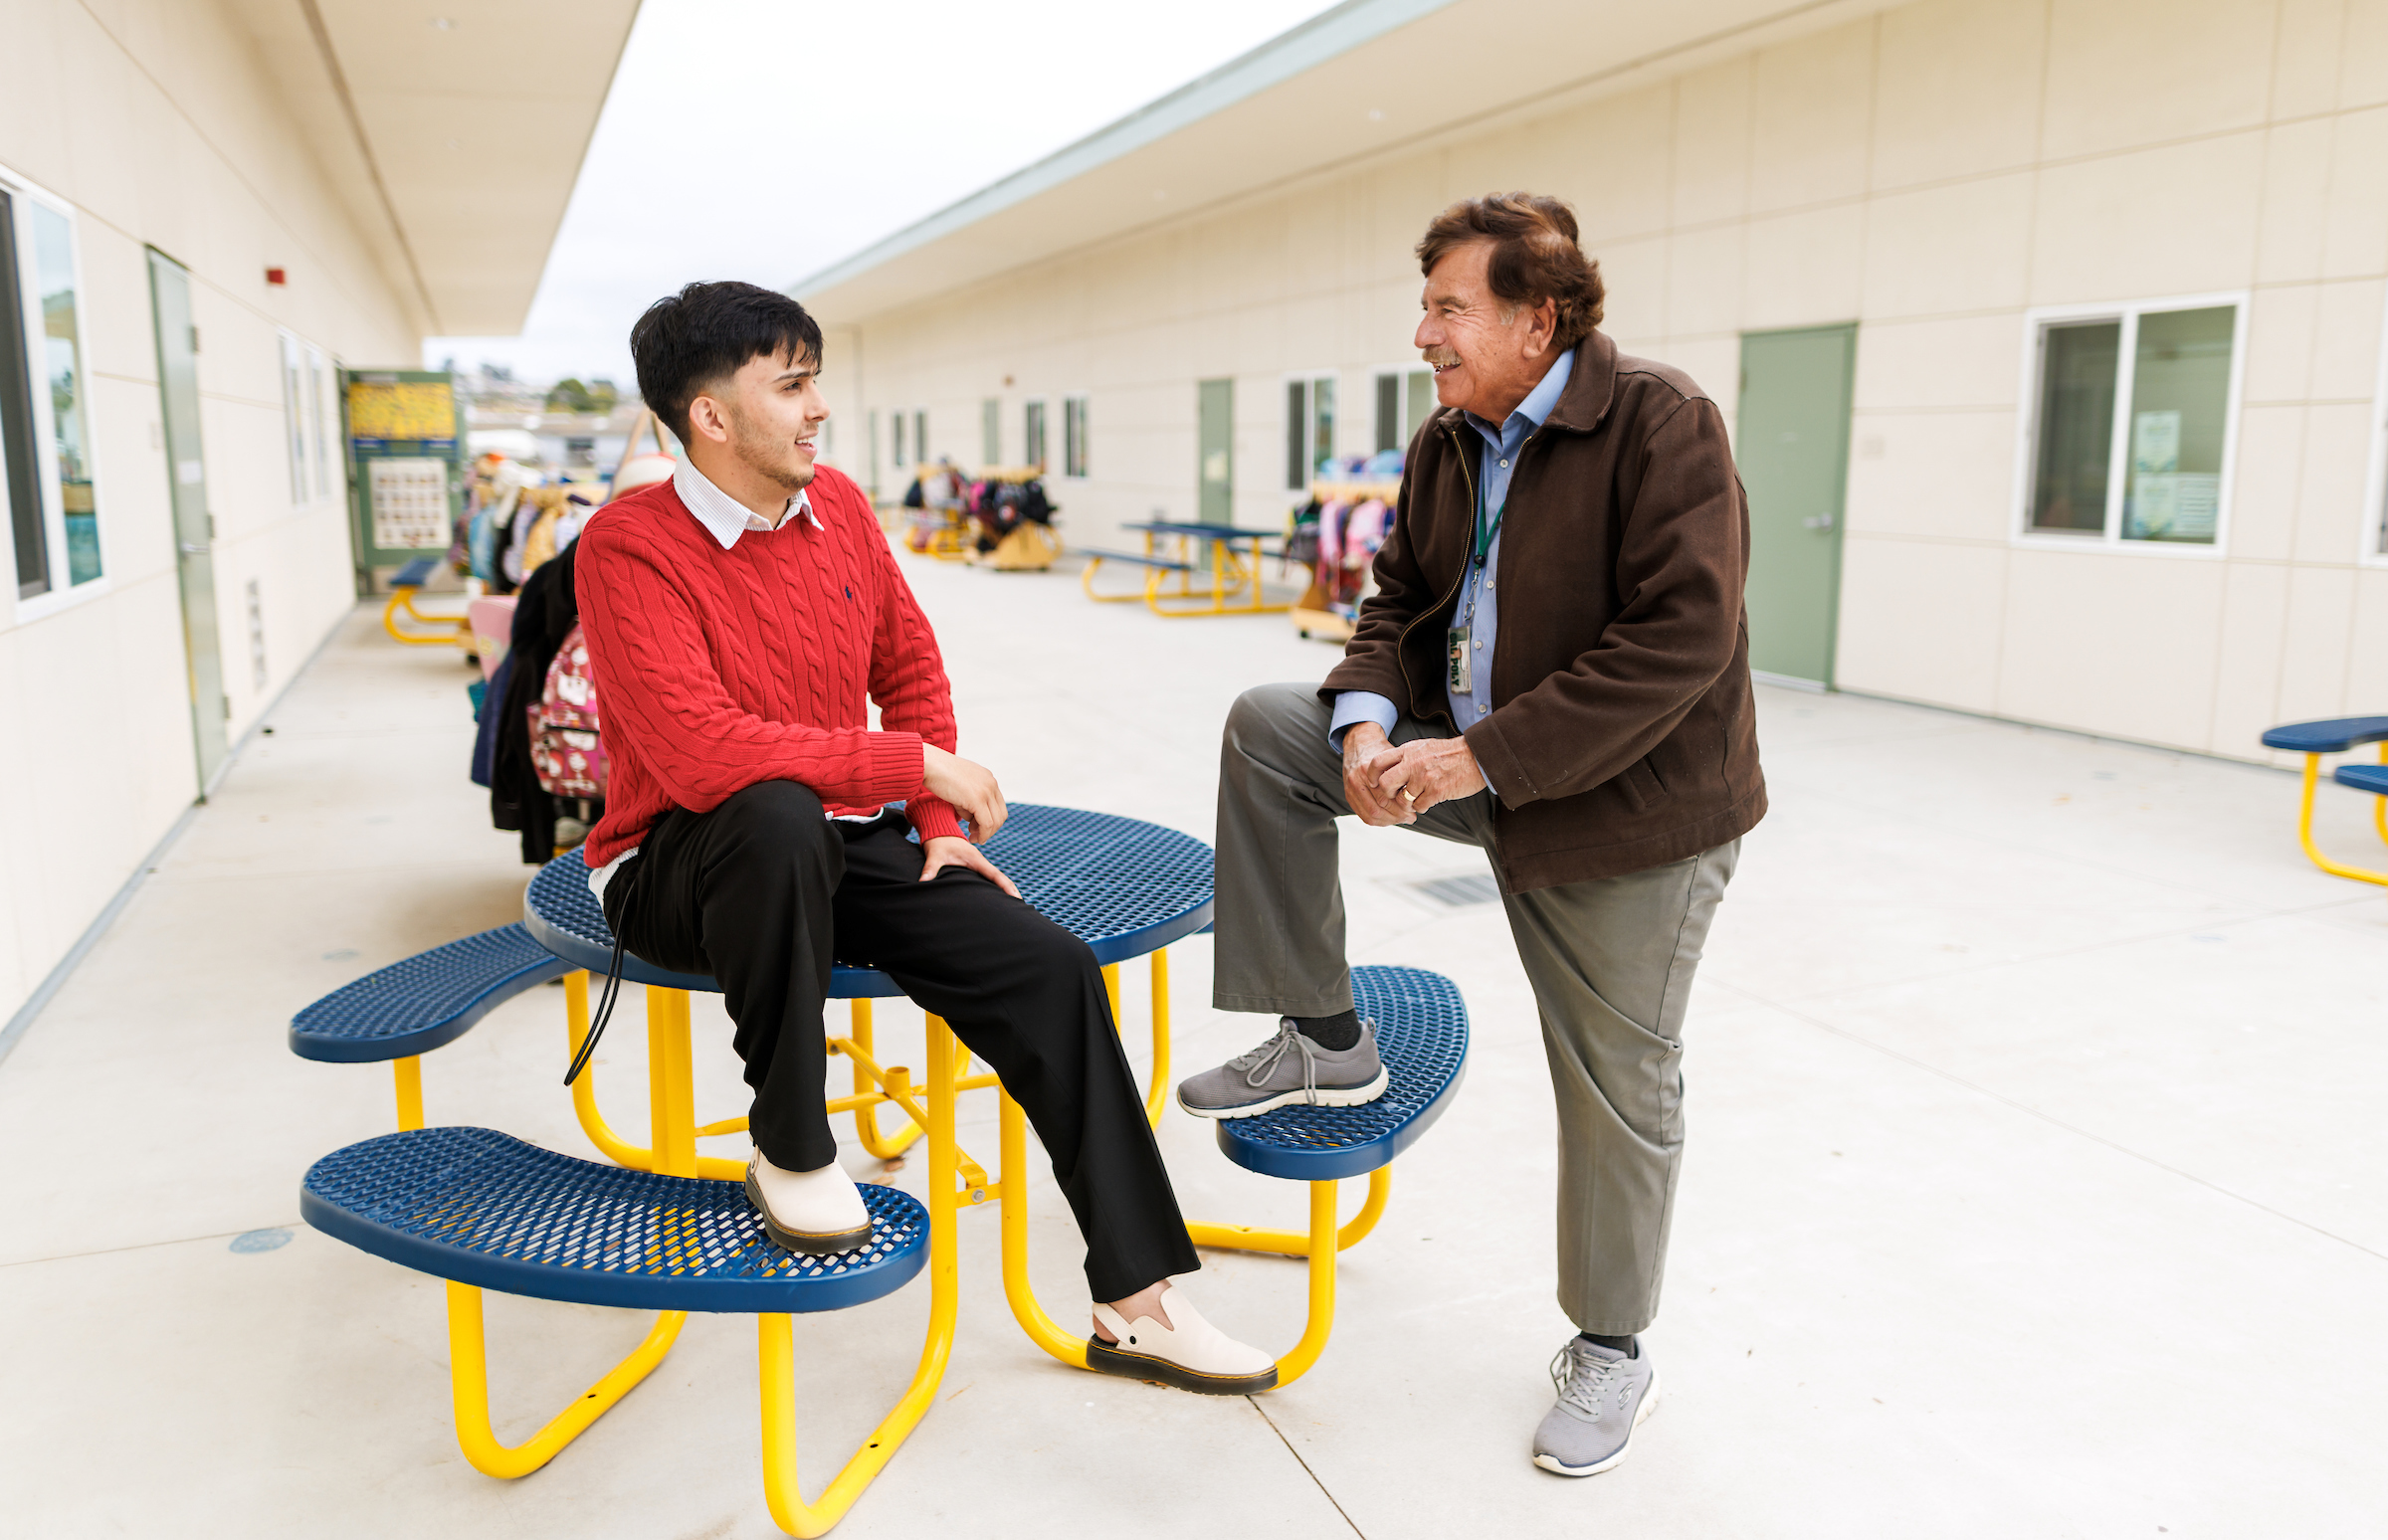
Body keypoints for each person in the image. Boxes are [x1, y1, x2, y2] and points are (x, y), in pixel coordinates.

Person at [575, 281, 1273, 1395]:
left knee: (1047, 965)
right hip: (679, 860)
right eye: (791, 386)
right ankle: (792, 1142)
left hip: (833, 840)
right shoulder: (624, 548)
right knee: (769, 808)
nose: (818, 412)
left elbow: (907, 667)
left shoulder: (839, 507)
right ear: (709, 416)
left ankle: (1136, 1303)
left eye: (816, 385)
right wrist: (912, 769)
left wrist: (937, 824)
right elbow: (704, 755)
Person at [1177, 195, 1766, 1470]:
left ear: (1536, 318)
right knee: (1268, 725)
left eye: (1449, 306)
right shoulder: (1449, 438)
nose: (1424, 333)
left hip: (1629, 814)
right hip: (1471, 762)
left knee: (1618, 1085)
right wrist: (1367, 730)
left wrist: (1475, 756)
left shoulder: (1664, 423)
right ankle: (1329, 1042)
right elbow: (1396, 593)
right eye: (1428, 305)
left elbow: (1682, 639)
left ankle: (1611, 1349)